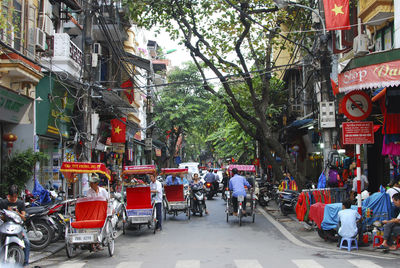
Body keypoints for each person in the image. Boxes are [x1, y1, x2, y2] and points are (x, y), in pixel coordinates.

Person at [0, 185, 30, 267]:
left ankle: (26, 263)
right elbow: (2, 217)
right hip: (5, 225)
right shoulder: (3, 202)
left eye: (15, 196)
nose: (13, 198)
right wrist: (6, 213)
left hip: (18, 226)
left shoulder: (20, 203)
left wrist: (18, 213)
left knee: (27, 242)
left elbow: (23, 218)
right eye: (12, 196)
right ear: (8, 195)